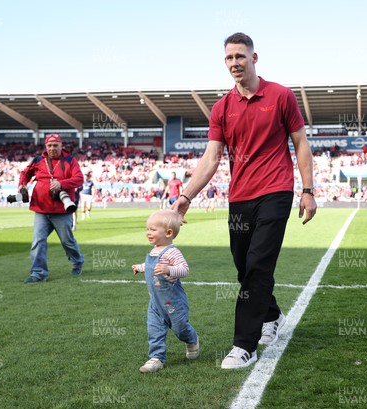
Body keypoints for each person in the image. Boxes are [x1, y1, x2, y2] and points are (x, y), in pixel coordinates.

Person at [172, 32, 317, 369]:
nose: (234, 63)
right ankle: (272, 315)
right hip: (239, 198)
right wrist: (185, 196)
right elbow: (211, 159)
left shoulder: (280, 96)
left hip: (276, 191)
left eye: (240, 56)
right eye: (228, 58)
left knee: (258, 265)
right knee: (244, 267)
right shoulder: (222, 107)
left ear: (254, 58)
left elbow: (300, 143)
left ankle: (244, 346)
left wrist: (308, 190)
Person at [132, 210, 199, 373]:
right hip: (155, 303)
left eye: (153, 229)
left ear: (168, 233)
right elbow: (151, 267)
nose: (148, 233)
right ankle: (156, 358)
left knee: (180, 328)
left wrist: (169, 269)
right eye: (147, 229)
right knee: (154, 330)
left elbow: (185, 269)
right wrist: (140, 267)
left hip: (173, 302)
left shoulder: (172, 252)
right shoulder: (154, 250)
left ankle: (192, 339)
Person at [18, 133, 84, 283]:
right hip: (41, 209)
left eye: (55, 145)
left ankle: (77, 261)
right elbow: (25, 173)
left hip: (62, 210)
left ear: (61, 145)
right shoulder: (39, 160)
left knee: (67, 241)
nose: (52, 148)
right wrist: (22, 184)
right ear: (45, 147)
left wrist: (62, 184)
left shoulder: (70, 160)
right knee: (38, 241)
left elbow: (79, 179)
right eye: (49, 145)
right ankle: (38, 273)